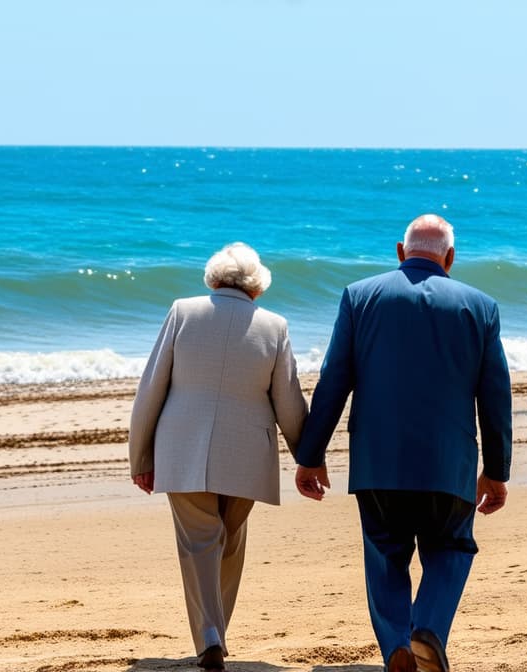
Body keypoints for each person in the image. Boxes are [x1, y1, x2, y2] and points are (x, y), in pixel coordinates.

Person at [294, 214, 512, 672]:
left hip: (379, 462)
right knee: (451, 548)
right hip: (447, 462)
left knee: (385, 551)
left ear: (400, 251)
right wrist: (496, 470)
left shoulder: (360, 296)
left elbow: (334, 381)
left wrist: (311, 456)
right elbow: (495, 395)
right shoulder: (481, 306)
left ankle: (396, 644)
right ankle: (427, 633)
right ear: (450, 258)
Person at [129, 242, 308, 672]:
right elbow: (289, 402)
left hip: (182, 446)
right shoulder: (274, 326)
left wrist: (140, 457)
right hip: (248, 452)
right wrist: (308, 457)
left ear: (213, 278)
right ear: (258, 286)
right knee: (229, 540)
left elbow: (151, 387)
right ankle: (216, 632)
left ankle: (210, 636)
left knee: (199, 542)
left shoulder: (183, 311)